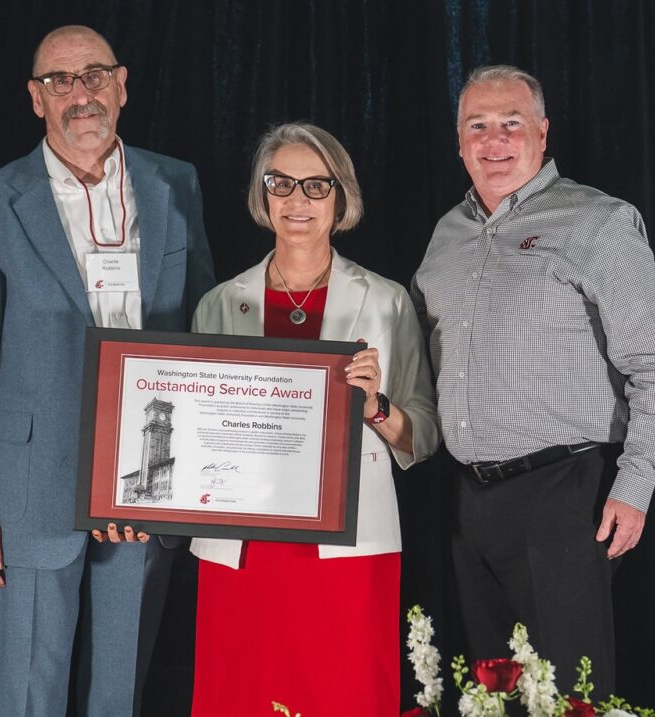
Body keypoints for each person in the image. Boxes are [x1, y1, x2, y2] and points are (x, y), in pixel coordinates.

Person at [0, 25, 215, 717]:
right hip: (32, 482)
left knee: (119, 692)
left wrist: (196, 478)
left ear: (122, 85)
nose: (80, 94)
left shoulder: (176, 184)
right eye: (59, 81)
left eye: (94, 76)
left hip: (149, 477)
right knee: (29, 695)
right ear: (35, 98)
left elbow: (203, 331)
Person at [410, 65, 655, 696]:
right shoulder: (446, 235)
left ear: (542, 131)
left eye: (511, 123)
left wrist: (636, 484)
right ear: (458, 141)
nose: (494, 140)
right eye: (478, 125)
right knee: (492, 694)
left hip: (566, 494)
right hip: (468, 499)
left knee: (568, 695)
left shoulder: (599, 221)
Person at [189, 123, 439, 715]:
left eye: (316, 185)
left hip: (347, 547)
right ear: (263, 194)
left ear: (340, 196)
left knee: (344, 694)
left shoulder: (386, 301)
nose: (297, 200)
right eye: (281, 183)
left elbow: (424, 434)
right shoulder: (219, 304)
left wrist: (376, 406)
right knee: (241, 696)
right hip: (244, 547)